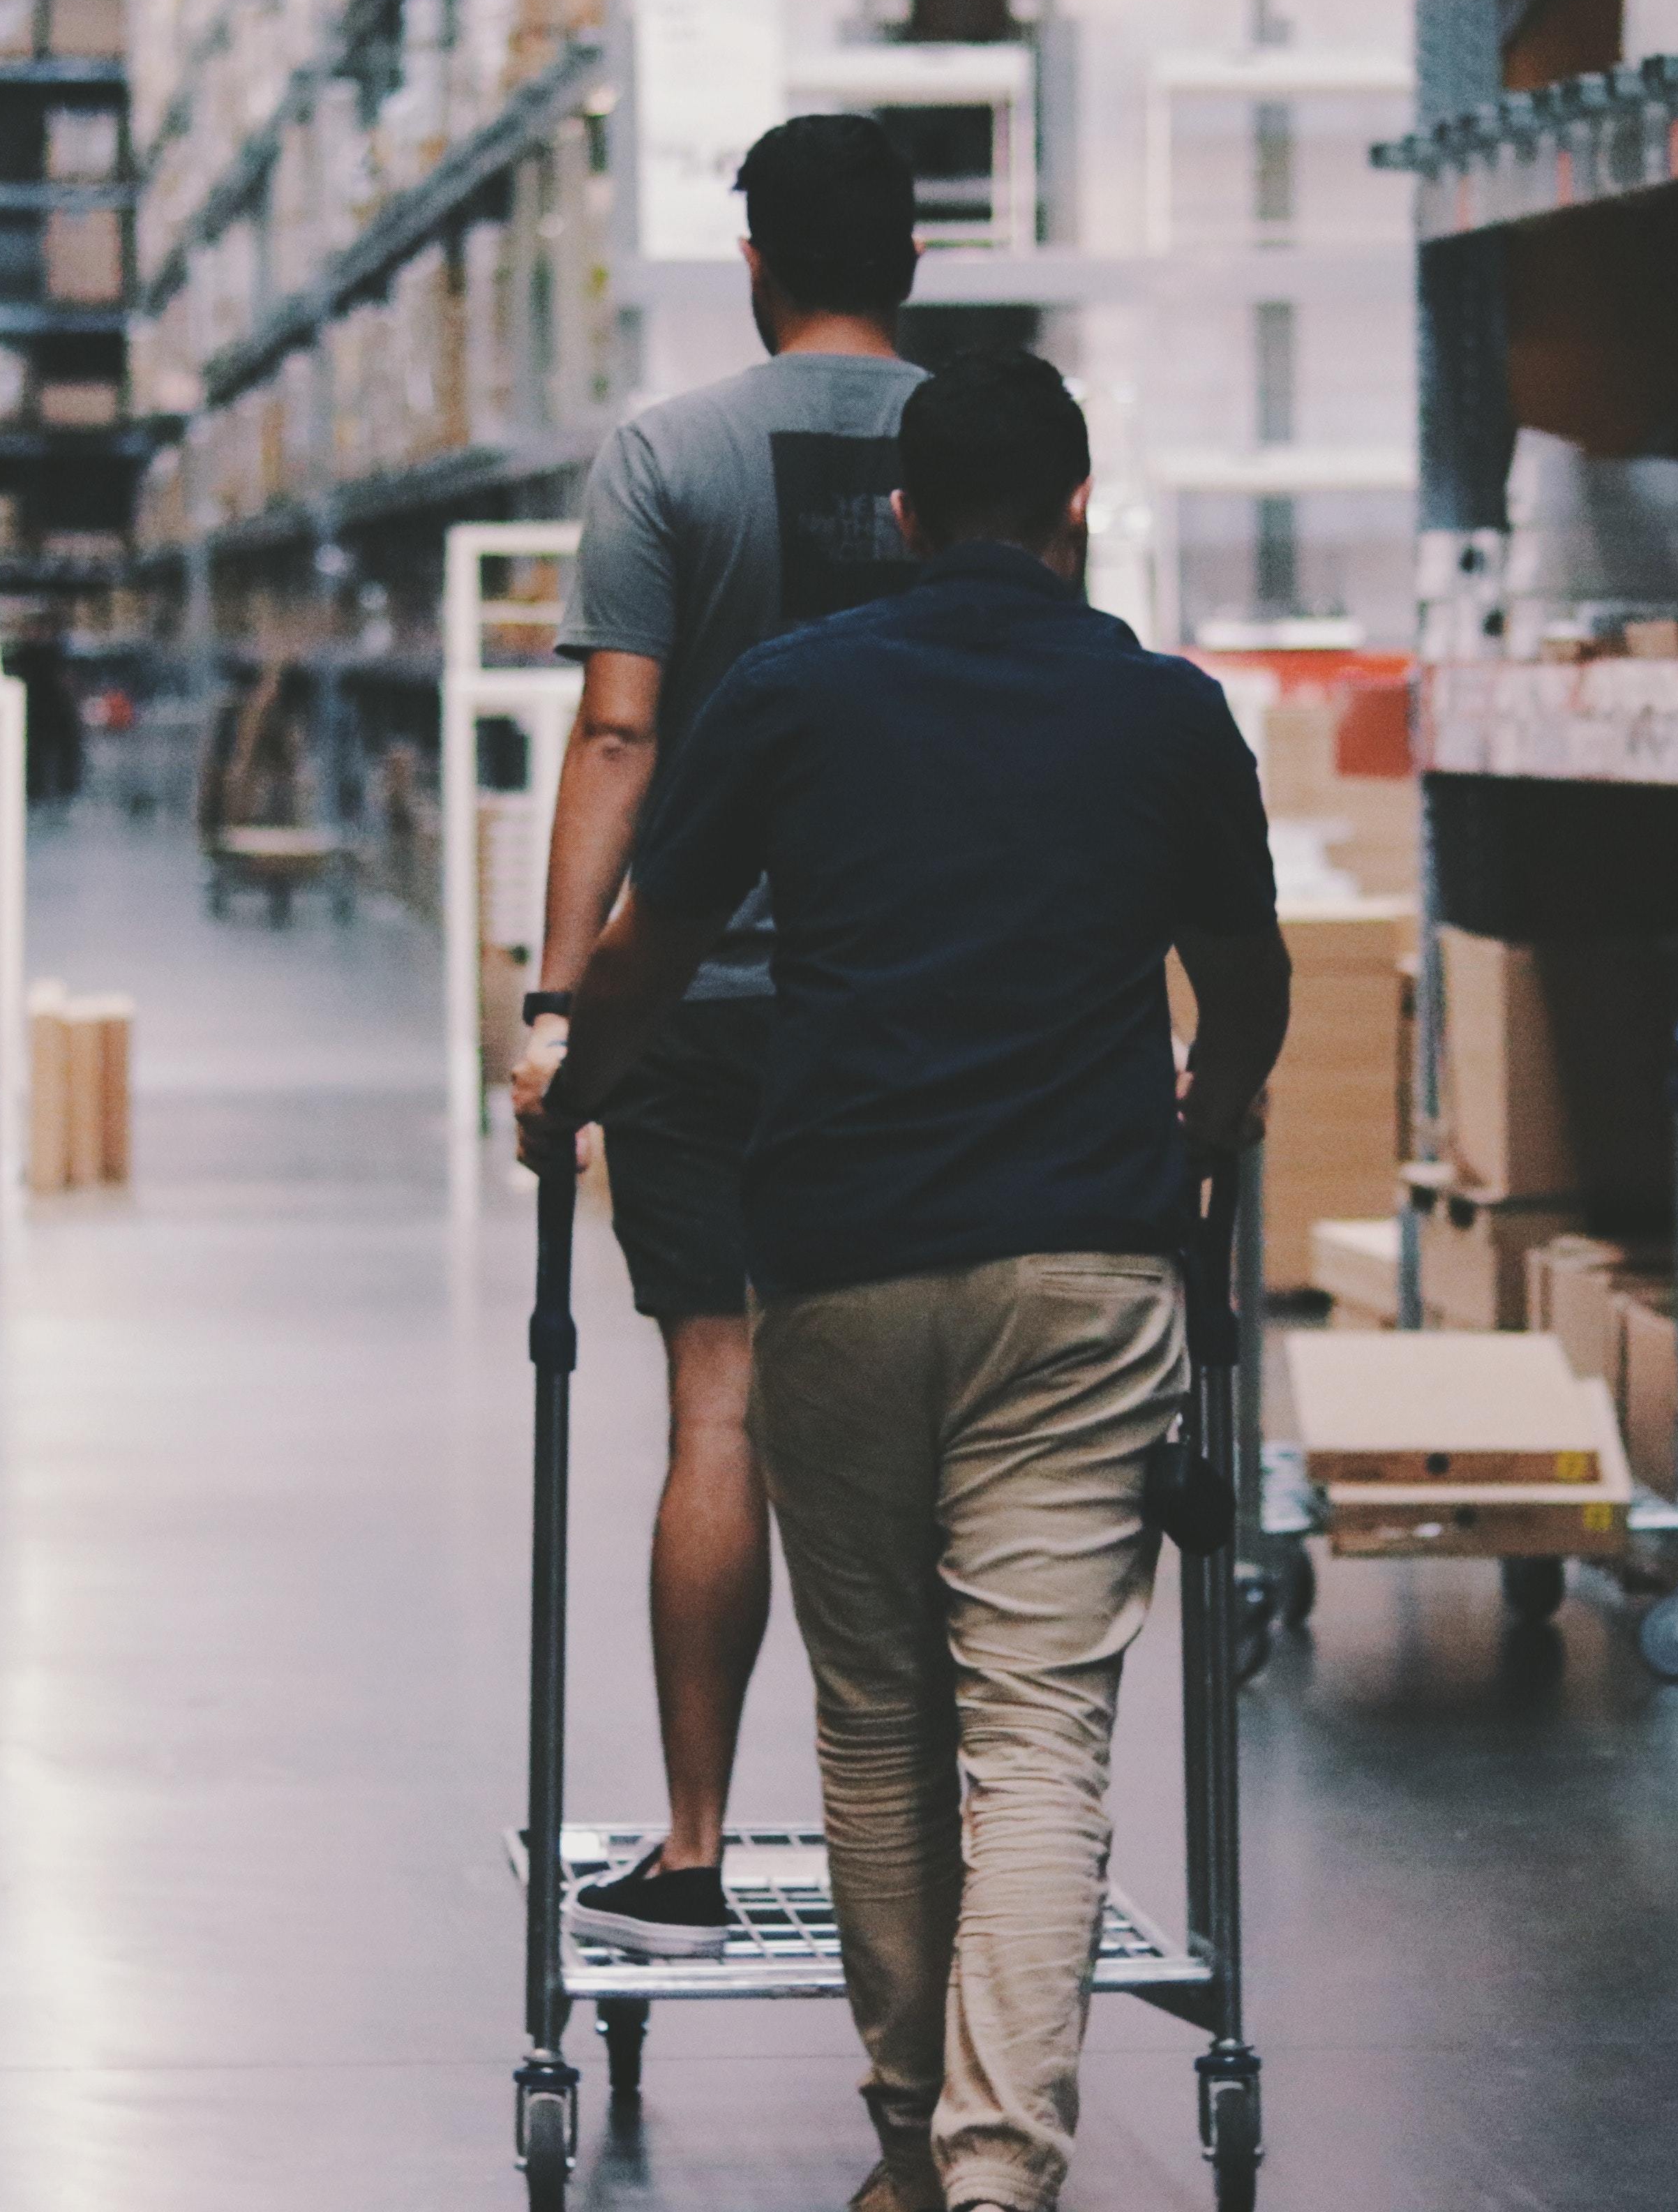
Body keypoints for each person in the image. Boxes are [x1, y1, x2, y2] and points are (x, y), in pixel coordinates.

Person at [519, 351, 1293, 2212]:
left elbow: (646, 954)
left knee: (879, 1725)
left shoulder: (790, 697)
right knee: (1040, 1734)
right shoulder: (1170, 712)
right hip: (1087, 1273)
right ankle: (998, 2171)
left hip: (844, 1267)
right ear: (1078, 511)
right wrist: (1212, 1110)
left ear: (904, 518)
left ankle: (900, 2148)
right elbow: (1246, 976)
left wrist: (572, 1085)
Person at [523, 114, 929, 1955]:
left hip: (705, 1003)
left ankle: (692, 1854)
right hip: (922, 1003)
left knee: (720, 1403)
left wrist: (557, 1003)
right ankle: (932, 1848)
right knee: (927, 1415)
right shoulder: (986, 450)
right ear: (911, 263)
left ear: (753, 262)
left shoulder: (668, 456)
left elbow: (618, 737)